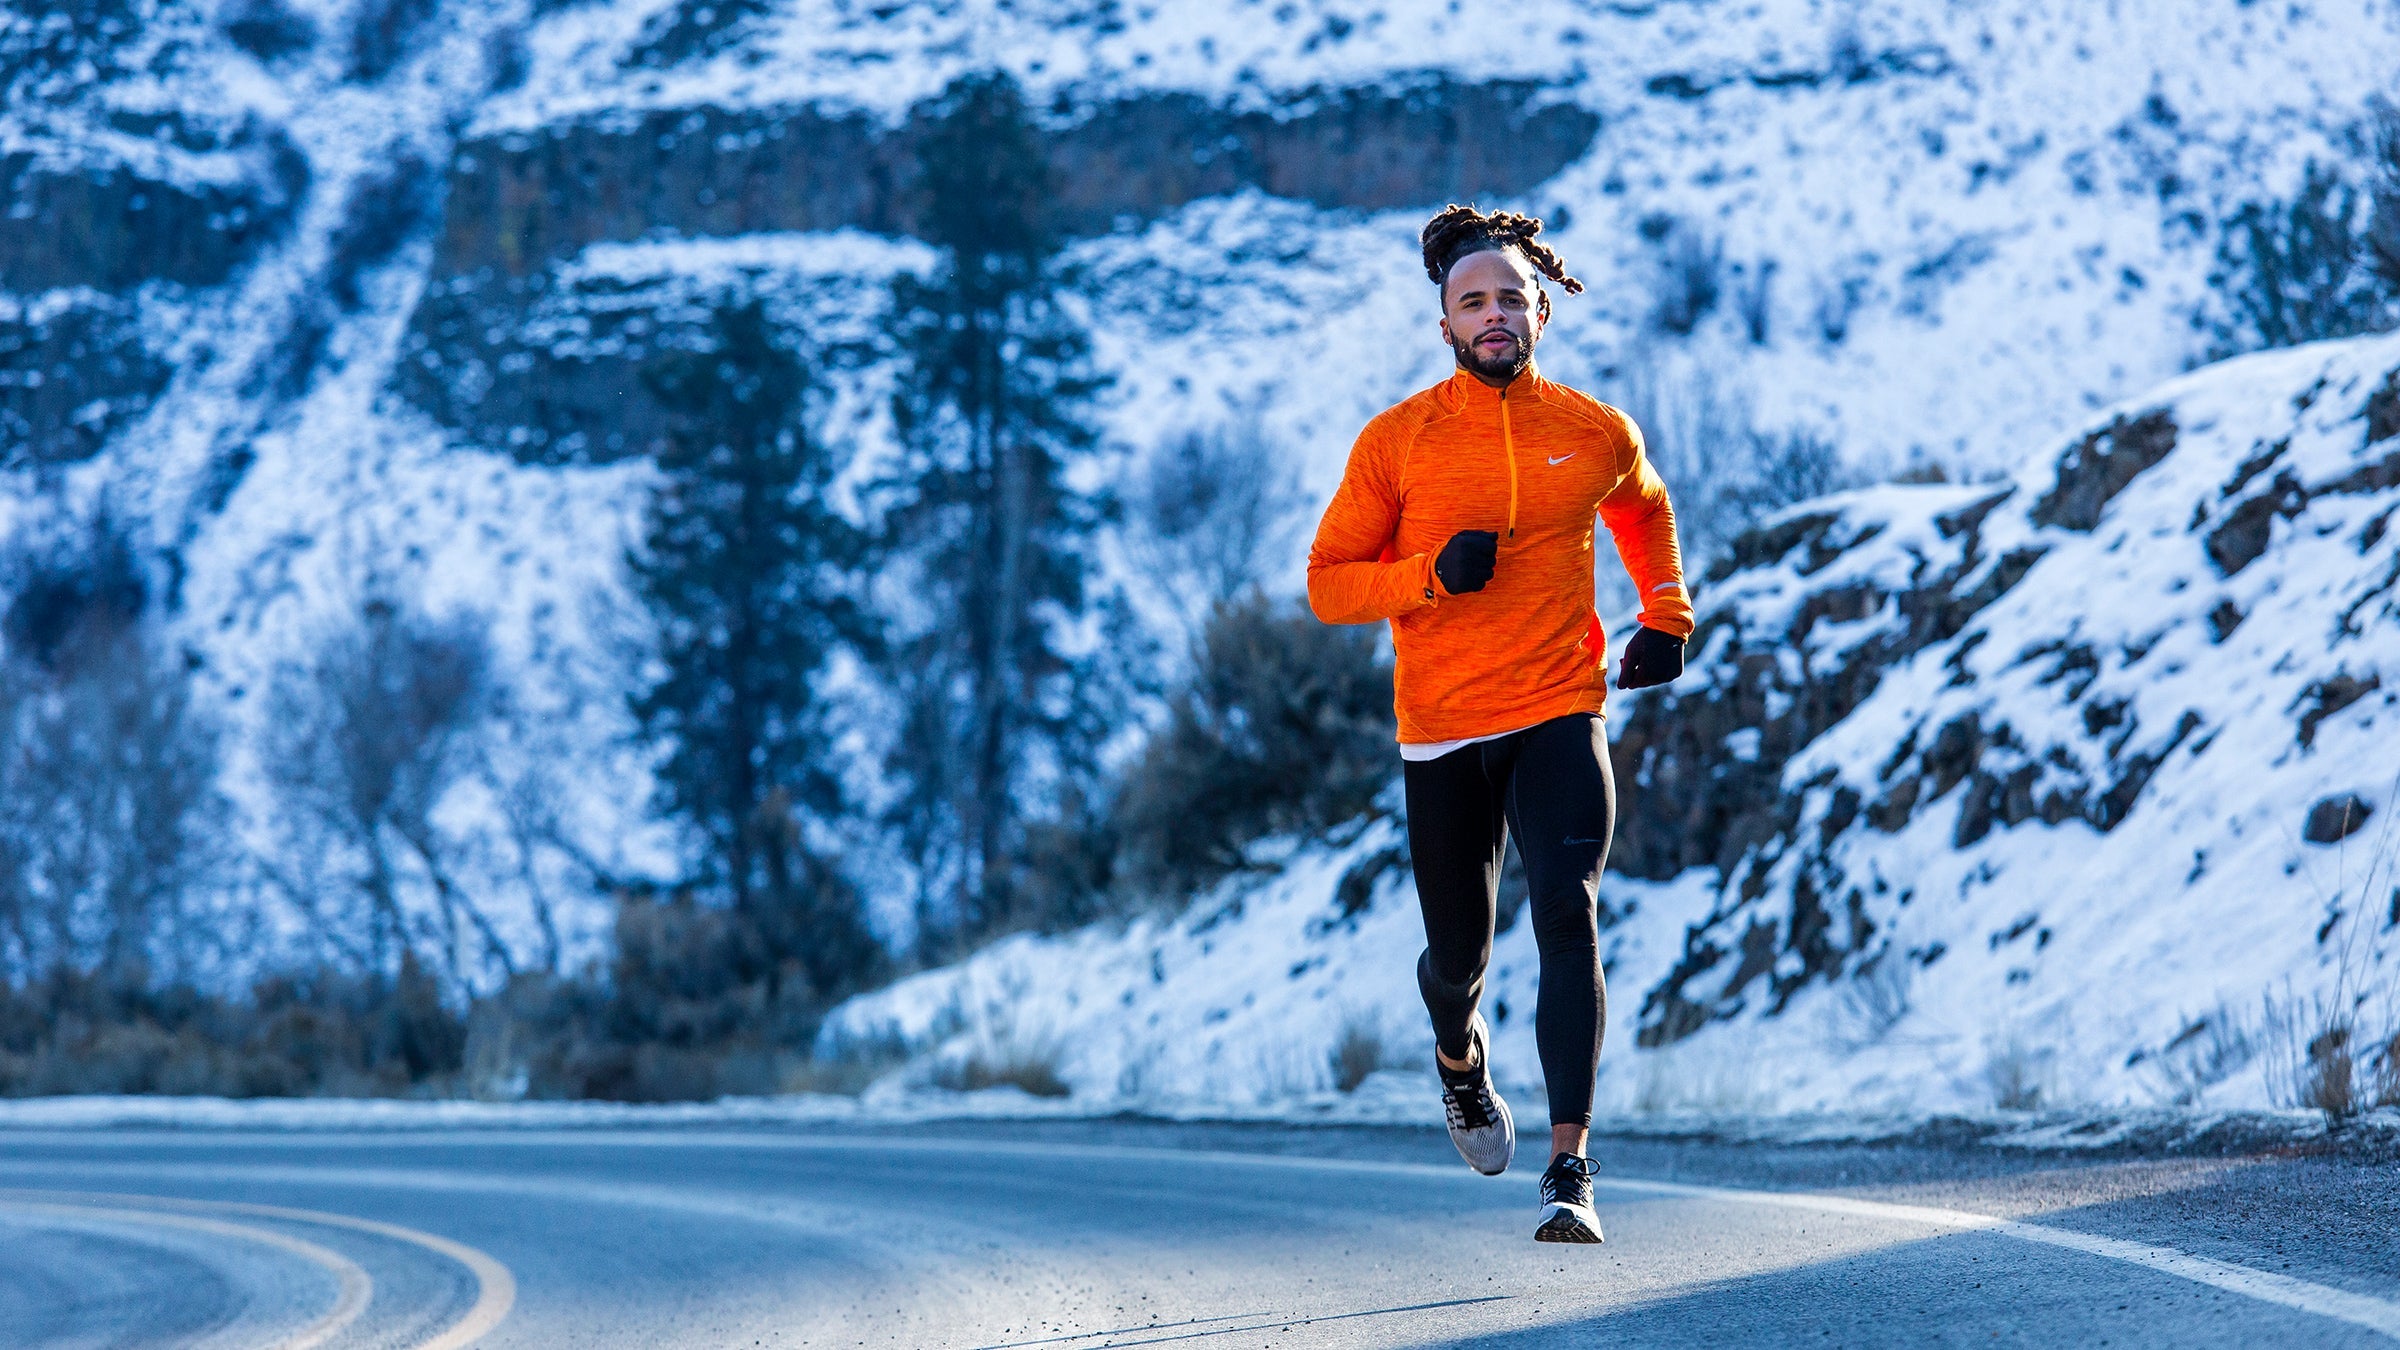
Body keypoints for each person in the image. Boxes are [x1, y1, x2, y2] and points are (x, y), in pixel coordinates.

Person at [1306, 204, 1692, 1244]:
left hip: (1561, 706)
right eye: (1471, 300)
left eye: (1509, 298)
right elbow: (1328, 585)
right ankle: (1459, 1063)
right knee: (1456, 959)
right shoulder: (1397, 442)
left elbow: (1642, 505)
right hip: (1441, 730)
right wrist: (1429, 576)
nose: (1492, 315)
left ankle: (1569, 1168)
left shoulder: (1593, 429)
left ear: (1538, 314)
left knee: (1568, 915)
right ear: (1444, 324)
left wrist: (1666, 613)